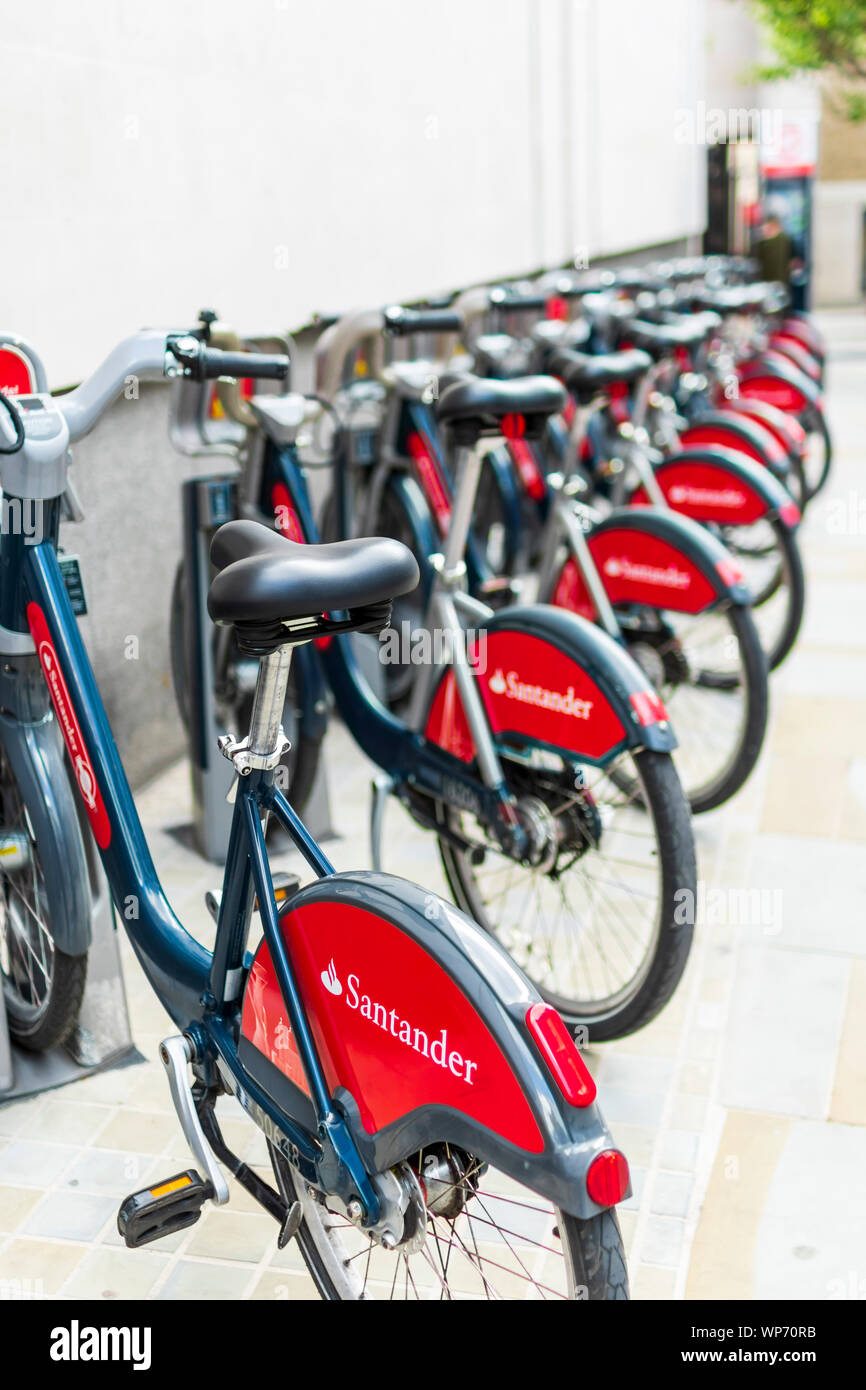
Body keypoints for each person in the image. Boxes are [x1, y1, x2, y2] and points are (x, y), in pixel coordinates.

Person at [755, 215, 793, 287]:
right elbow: (760, 258)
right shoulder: (763, 242)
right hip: (768, 278)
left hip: (780, 278)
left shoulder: (784, 239)